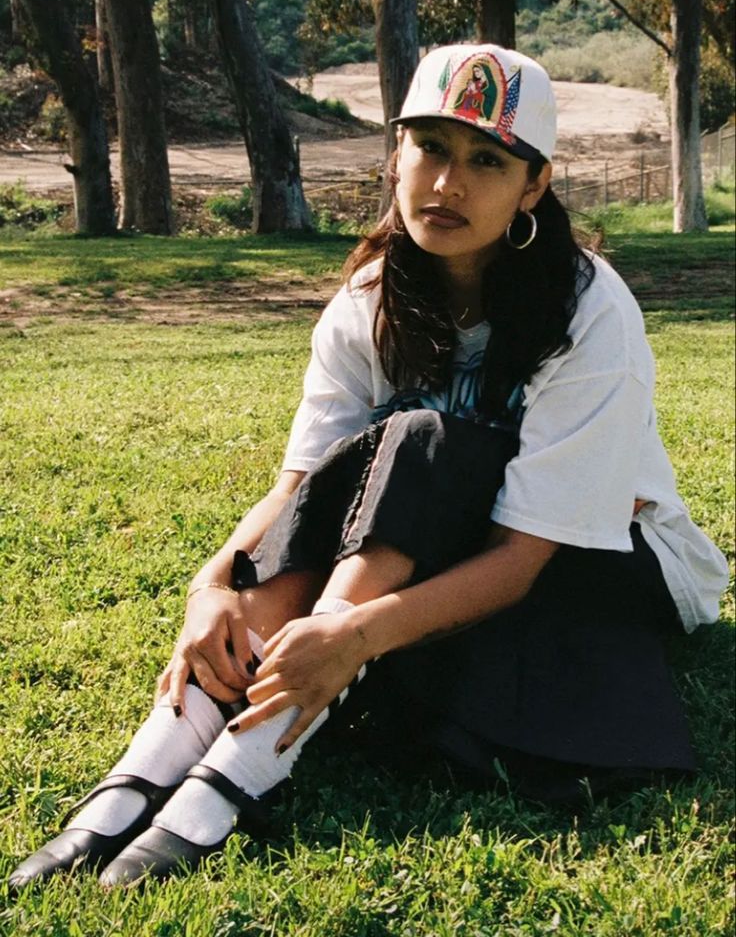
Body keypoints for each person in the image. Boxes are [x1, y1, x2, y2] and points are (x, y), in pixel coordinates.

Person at [10, 44, 727, 891]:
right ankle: (146, 768)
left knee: (430, 444)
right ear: (397, 157)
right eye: (429, 148)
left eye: (486, 161)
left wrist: (352, 635)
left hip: (602, 559)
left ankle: (238, 772)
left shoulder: (588, 309)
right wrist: (211, 588)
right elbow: (302, 490)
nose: (448, 184)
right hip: (437, 547)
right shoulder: (369, 303)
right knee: (408, 450)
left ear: (534, 186)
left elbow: (524, 554)